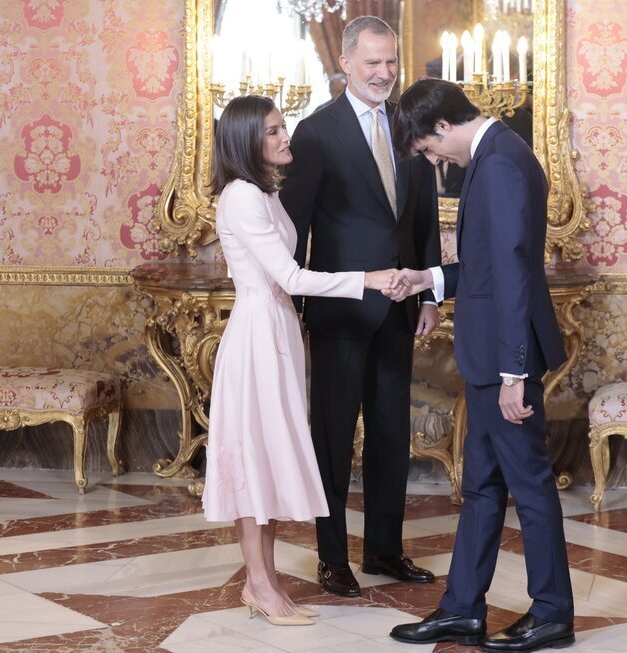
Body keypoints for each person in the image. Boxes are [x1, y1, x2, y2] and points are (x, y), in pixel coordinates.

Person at [384, 78, 575, 651]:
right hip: (491, 357)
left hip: (502, 362)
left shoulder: (498, 164)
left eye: (426, 148)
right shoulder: (497, 156)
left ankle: (553, 614)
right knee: (483, 486)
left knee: (530, 487)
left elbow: (515, 272)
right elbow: (488, 269)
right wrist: (431, 280)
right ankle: (463, 608)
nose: (431, 158)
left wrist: (516, 372)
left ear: (441, 126)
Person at [201, 95, 397, 626]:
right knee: (252, 461)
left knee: (266, 457)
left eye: (281, 127)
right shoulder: (242, 196)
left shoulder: (265, 192)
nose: (286, 137)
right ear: (246, 141)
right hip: (258, 334)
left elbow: (292, 268)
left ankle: (258, 582)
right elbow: (289, 277)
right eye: (273, 131)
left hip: (280, 329)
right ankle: (261, 585)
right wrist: (368, 279)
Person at [279, 15, 441, 597]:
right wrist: (293, 305)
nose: (385, 74)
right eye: (372, 63)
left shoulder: (408, 128)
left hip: (399, 309)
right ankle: (331, 557)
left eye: (391, 62)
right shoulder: (315, 132)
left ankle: (385, 551)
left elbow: (420, 218)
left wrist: (425, 294)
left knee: (391, 435)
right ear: (346, 63)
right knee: (332, 436)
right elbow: (295, 229)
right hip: (340, 311)